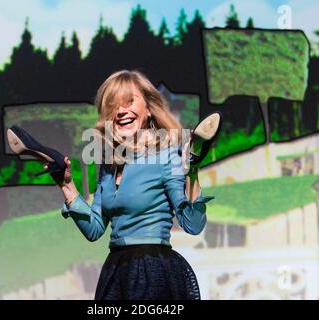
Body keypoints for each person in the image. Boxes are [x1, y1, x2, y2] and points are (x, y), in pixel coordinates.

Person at [46, 70, 215, 300]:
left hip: (154, 271)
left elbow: (192, 224)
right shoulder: (107, 165)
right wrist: (67, 186)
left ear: (148, 108)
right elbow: (95, 230)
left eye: (129, 101)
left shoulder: (166, 156)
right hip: (116, 273)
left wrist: (192, 172)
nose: (121, 111)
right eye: (114, 105)